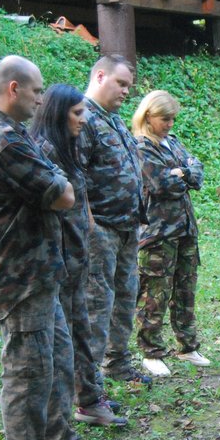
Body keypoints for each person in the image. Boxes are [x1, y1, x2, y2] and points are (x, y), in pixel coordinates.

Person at [0, 56, 100, 440]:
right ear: (13, 89)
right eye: (35, 91)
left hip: (38, 272)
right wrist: (59, 181)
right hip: (18, 277)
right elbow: (62, 195)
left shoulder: (10, 133)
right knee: (28, 375)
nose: (41, 100)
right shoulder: (2, 141)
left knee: (55, 362)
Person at [30, 84, 127, 426]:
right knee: (63, 339)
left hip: (78, 255)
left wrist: (88, 228)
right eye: (76, 113)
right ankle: (71, 409)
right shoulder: (40, 150)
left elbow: (80, 194)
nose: (84, 119)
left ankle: (90, 398)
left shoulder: (66, 146)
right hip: (54, 262)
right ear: (57, 113)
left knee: (83, 330)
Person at [80, 55, 151, 386]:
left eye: (128, 86)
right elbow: (73, 176)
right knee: (98, 304)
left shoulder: (114, 120)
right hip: (101, 230)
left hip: (126, 227)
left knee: (125, 295)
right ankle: (89, 383)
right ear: (99, 76)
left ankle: (118, 362)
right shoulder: (81, 119)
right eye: (120, 83)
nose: (126, 91)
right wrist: (90, 225)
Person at [132, 90, 210, 375]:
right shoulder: (141, 147)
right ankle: (151, 351)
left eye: (173, 119)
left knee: (185, 289)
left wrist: (183, 173)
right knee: (155, 293)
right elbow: (161, 185)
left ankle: (187, 346)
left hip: (185, 228)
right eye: (165, 118)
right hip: (158, 232)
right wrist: (180, 174)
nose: (170, 124)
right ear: (148, 116)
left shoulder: (173, 144)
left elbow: (197, 171)